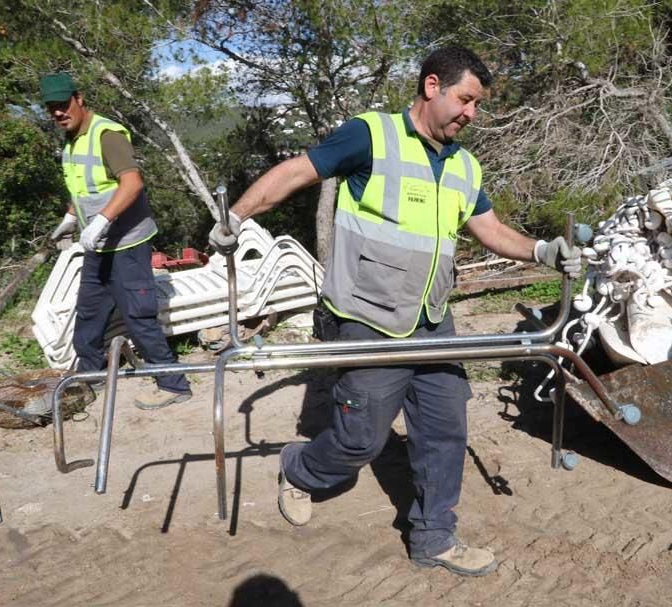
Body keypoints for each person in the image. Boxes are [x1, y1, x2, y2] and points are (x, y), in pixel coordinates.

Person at [209, 47, 579, 577]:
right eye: (466, 99)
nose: (471, 114)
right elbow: (296, 172)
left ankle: (434, 537)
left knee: (445, 428)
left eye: (477, 105)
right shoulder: (371, 135)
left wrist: (542, 251)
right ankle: (299, 468)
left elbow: (490, 230)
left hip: (431, 320)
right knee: (361, 439)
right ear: (433, 86)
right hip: (367, 316)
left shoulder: (463, 165)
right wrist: (236, 218)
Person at [40, 73, 191, 409]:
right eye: (51, 108)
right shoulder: (72, 139)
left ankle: (173, 384)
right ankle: (89, 377)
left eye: (62, 105)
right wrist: (71, 217)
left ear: (79, 98)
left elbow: (132, 183)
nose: (57, 113)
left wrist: (102, 222)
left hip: (127, 244)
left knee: (137, 315)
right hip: (98, 245)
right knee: (90, 311)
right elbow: (85, 188)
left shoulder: (106, 134)